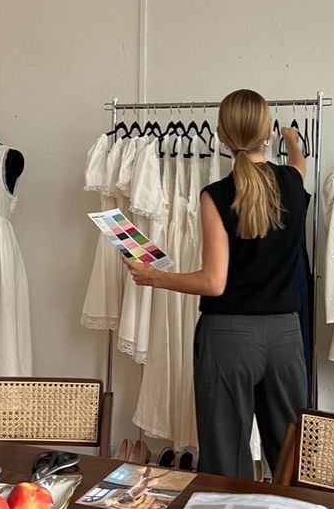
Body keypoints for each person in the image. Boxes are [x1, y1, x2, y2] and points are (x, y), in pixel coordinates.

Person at [126, 88, 307, 480]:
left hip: (229, 337)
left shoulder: (217, 195)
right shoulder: (294, 182)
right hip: (285, 336)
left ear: (221, 136)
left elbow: (213, 282)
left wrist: (155, 276)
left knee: (226, 457)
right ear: (268, 133)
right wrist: (291, 140)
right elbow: (297, 165)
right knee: (292, 455)